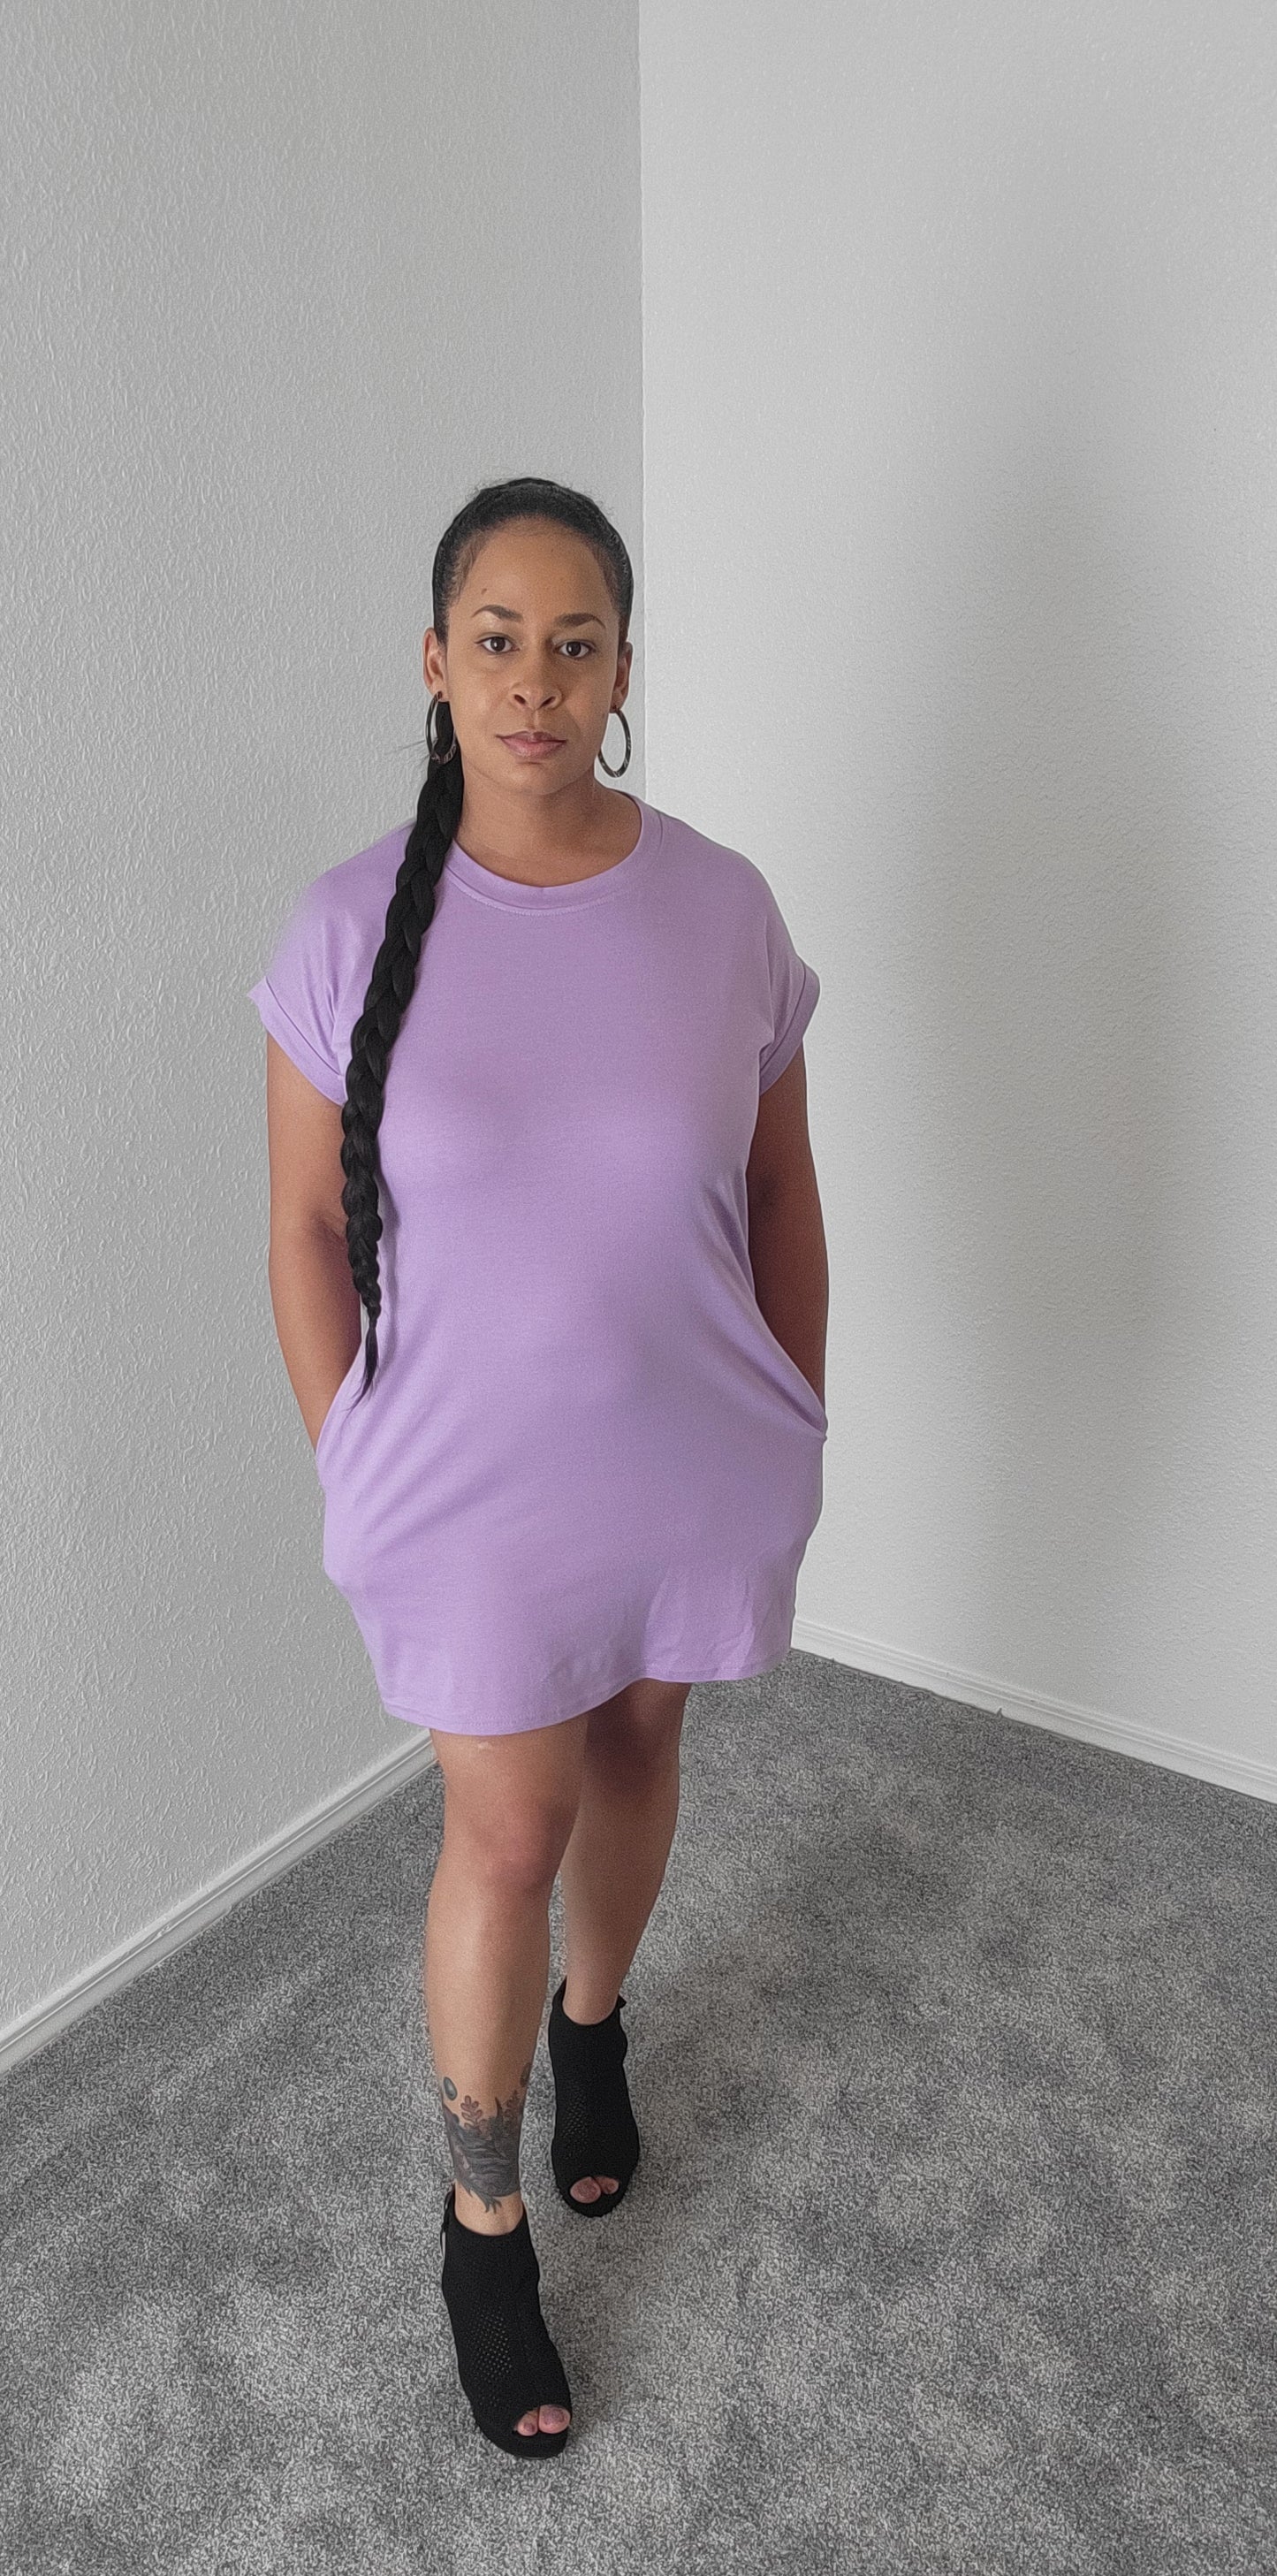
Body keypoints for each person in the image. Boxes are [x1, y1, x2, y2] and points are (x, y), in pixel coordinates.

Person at [247, 476, 830, 2459]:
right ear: (434, 663)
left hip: (688, 1449)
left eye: (574, 643)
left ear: (622, 670)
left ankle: (596, 2030)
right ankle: (480, 2227)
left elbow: (781, 1195)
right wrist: (351, 1458)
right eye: (495, 639)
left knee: (643, 1745)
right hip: (464, 1490)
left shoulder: (723, 907)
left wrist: (798, 1417)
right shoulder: (344, 927)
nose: (534, 678)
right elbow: (300, 1232)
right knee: (504, 1830)